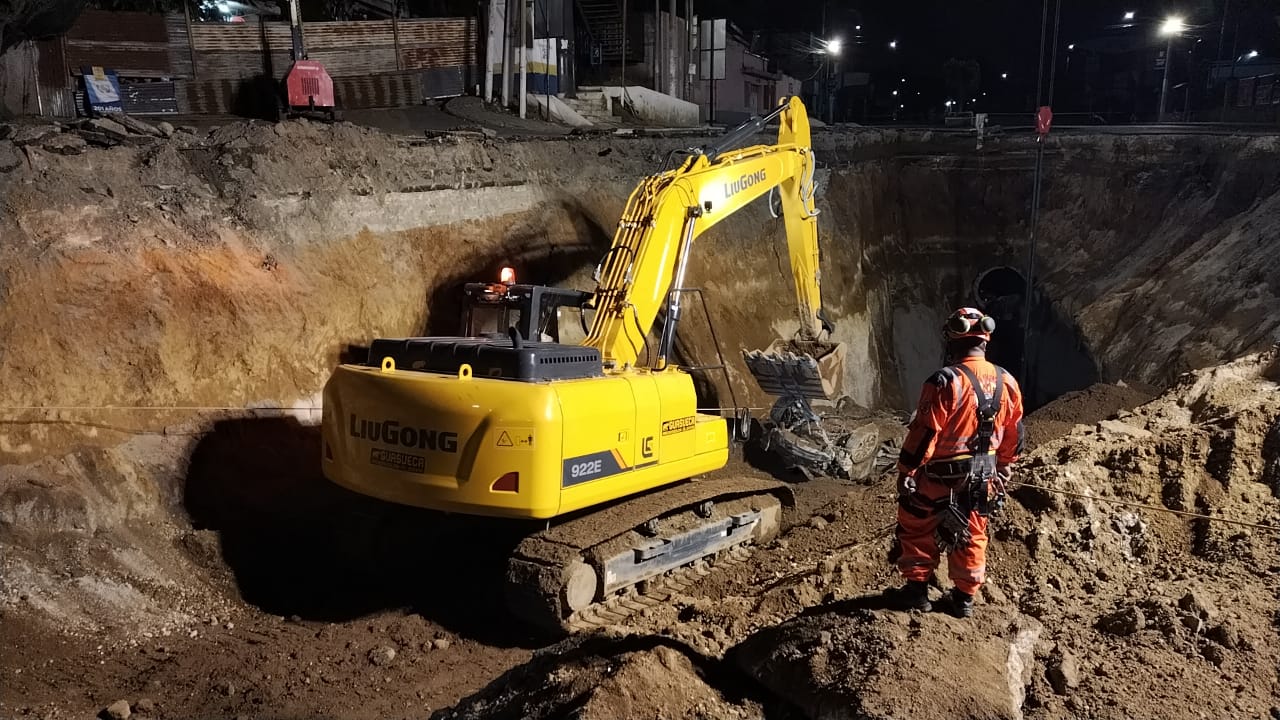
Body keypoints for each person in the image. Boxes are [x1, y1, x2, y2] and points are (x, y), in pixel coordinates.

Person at [889, 307, 1024, 618]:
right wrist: (1004, 465)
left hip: (938, 478)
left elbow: (925, 432)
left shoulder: (945, 381)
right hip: (982, 480)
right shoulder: (1008, 382)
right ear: (986, 339)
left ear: (952, 338)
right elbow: (1015, 432)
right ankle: (963, 600)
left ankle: (917, 593)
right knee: (974, 532)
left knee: (916, 526)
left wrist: (906, 470)